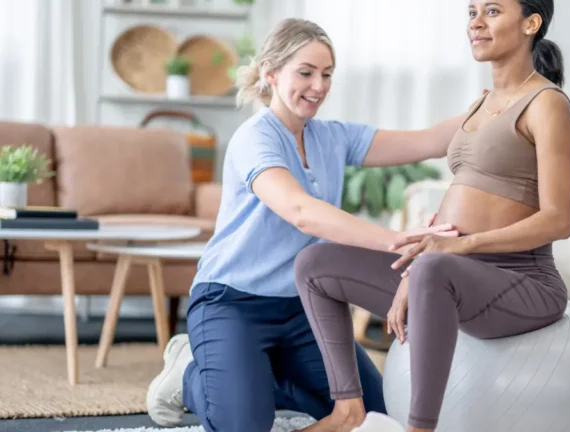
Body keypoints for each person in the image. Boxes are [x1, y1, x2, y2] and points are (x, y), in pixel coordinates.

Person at [144, 18, 465, 432]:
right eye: (306, 72)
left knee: (378, 411)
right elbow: (300, 210)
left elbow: (428, 140)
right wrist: (395, 239)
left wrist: (493, 105)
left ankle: (252, 375)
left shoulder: (333, 137)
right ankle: (191, 373)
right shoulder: (254, 138)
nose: (319, 86)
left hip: (302, 311)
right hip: (232, 303)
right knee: (242, 426)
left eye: (327, 74)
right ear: (271, 73)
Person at [292, 1, 570, 431]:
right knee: (315, 265)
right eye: (471, 12)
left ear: (531, 23)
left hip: (522, 280)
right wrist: (414, 269)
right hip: (448, 274)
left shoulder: (547, 104)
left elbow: (559, 219)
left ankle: (419, 428)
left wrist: (457, 248)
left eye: (493, 11)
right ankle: (347, 410)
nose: (476, 23)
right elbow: (458, 198)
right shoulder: (481, 106)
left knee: (433, 269)